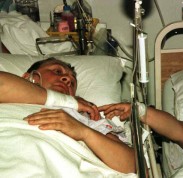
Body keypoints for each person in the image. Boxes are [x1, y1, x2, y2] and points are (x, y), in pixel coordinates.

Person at [0, 57, 135, 173]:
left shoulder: (85, 117)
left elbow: (132, 167)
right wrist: (70, 101)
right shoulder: (7, 95)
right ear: (28, 77)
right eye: (57, 71)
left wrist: (84, 132)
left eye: (73, 83)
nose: (68, 80)